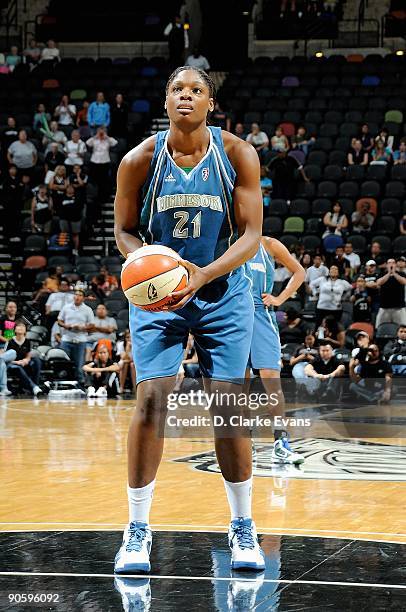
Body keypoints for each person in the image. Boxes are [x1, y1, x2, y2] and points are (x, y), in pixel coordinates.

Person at [113, 66, 264, 575]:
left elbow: (251, 236)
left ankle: (242, 525)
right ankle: (137, 528)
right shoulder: (139, 160)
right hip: (159, 298)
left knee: (228, 404)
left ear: (210, 104)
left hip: (221, 290)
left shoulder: (238, 153)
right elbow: (124, 232)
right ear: (165, 99)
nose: (186, 96)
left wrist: (199, 277)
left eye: (196, 90)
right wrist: (153, 269)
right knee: (152, 399)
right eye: (178, 89)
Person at [246, 237, 305, 464]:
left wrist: (279, 298)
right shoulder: (228, 241)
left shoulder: (268, 244)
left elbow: (299, 272)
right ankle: (245, 441)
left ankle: (281, 442)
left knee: (272, 382)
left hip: (262, 316)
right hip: (235, 317)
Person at [58, 288, 95, 383]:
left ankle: (81, 384)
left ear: (83, 298)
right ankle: (64, 382)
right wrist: (67, 326)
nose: (77, 297)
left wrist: (82, 328)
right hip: (66, 339)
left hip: (80, 340)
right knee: (63, 363)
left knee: (79, 365)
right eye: (76, 295)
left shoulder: (88, 309)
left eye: (80, 295)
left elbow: (92, 325)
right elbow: (59, 321)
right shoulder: (66, 307)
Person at [7, 322, 42, 396]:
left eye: (23, 327)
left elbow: (28, 355)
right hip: (13, 363)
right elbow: (6, 358)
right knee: (17, 368)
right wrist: (17, 362)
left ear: (25, 331)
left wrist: (26, 360)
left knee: (37, 360)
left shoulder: (27, 341)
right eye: (18, 326)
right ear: (15, 330)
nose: (21, 328)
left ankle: (35, 385)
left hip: (23, 362)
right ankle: (34, 387)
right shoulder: (9, 341)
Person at [86, 127, 118, 208]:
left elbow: (115, 142)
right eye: (99, 132)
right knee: (95, 181)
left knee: (103, 182)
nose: (101, 133)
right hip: (94, 162)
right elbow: (87, 143)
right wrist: (95, 136)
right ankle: (95, 197)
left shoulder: (107, 139)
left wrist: (106, 136)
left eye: (102, 132)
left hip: (104, 162)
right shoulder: (94, 139)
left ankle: (103, 198)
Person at [375, 258, 406, 327]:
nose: (391, 264)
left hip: (399, 307)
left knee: (402, 327)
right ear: (386, 265)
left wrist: (394, 273)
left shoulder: (401, 273)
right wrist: (389, 273)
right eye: (389, 263)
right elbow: (378, 283)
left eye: (393, 263)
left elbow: (404, 281)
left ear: (395, 264)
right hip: (384, 307)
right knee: (379, 327)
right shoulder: (382, 274)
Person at [59, 184, 83, 255]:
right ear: (66, 189)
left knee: (75, 234)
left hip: (75, 218)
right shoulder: (62, 197)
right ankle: (63, 249)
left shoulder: (77, 197)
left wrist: (67, 207)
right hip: (64, 218)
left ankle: (75, 249)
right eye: (68, 188)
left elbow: (78, 207)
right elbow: (60, 208)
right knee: (64, 234)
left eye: (71, 188)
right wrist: (70, 207)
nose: (70, 189)